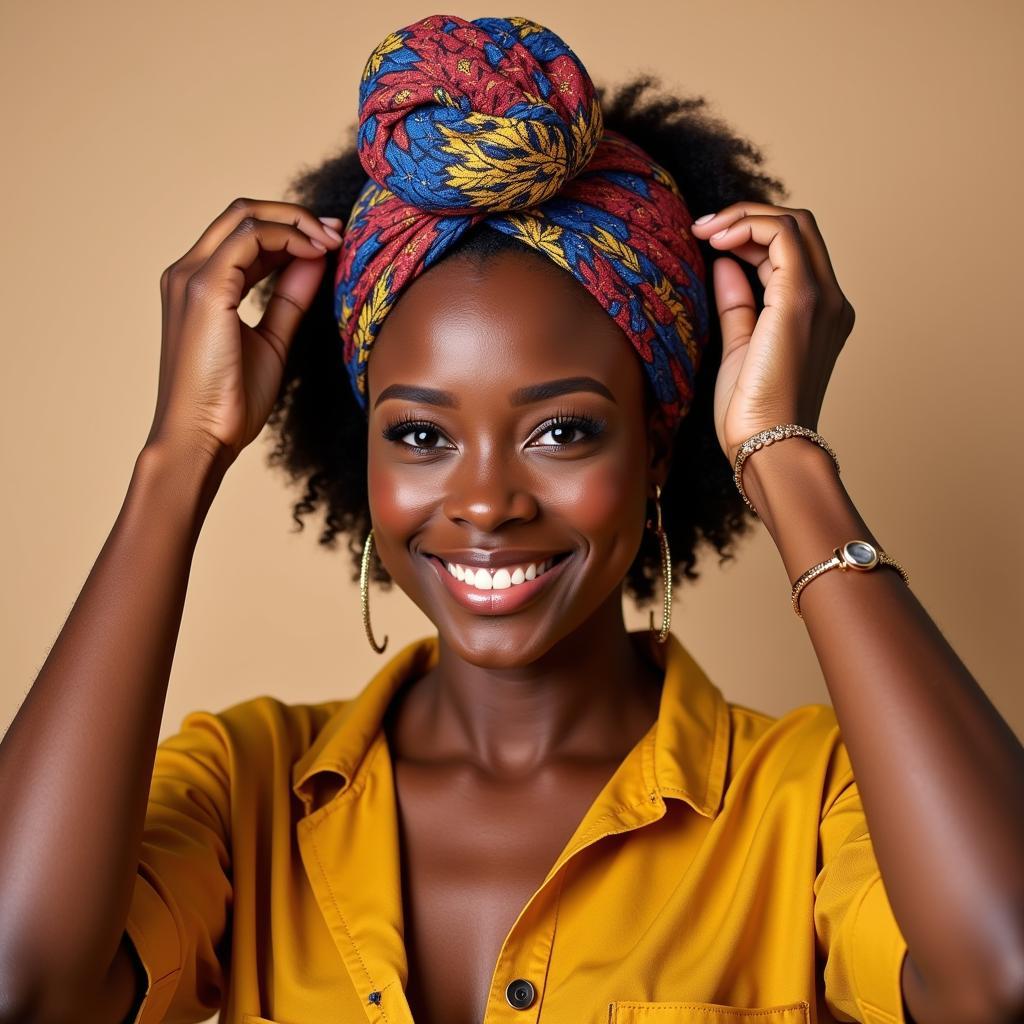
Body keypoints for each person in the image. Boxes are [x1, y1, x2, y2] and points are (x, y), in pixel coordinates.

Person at [1, 13, 1022, 1024]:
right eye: (418, 437)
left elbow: (999, 975)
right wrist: (178, 461)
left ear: (659, 445)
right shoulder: (244, 789)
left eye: (563, 431)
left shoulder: (808, 799)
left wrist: (781, 449)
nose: (486, 501)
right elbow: (24, 982)